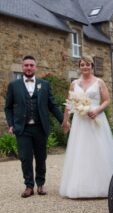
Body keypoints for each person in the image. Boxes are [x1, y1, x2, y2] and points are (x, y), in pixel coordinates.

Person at [4, 55, 69, 198]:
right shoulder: (14, 85)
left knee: (41, 157)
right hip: (23, 128)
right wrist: (11, 124)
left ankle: (40, 184)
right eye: (26, 65)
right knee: (25, 158)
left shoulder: (44, 84)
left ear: (36, 67)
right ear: (22, 67)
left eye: (31, 65)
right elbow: (8, 108)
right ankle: (28, 186)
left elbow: (52, 105)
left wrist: (63, 121)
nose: (28, 68)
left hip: (40, 127)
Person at [59, 55, 113, 198]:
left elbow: (107, 100)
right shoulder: (74, 84)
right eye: (82, 65)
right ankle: (80, 187)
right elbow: (69, 103)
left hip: (96, 119)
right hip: (80, 122)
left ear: (92, 66)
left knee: (98, 150)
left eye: (87, 64)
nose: (85, 67)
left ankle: (104, 186)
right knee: (81, 152)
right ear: (79, 67)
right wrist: (66, 120)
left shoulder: (99, 82)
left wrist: (97, 110)